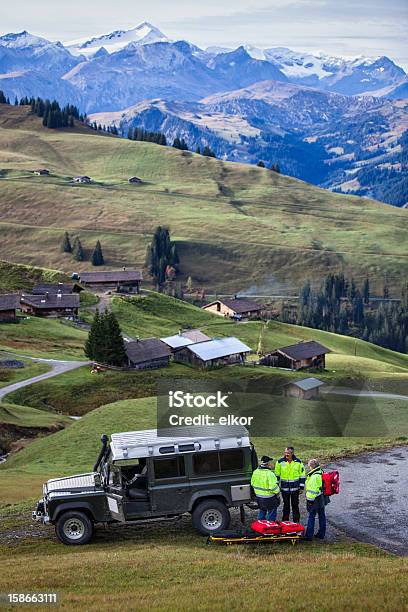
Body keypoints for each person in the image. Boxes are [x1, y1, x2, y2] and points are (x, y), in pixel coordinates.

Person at [275, 446, 305, 523]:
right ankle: (285, 522)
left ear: (292, 453)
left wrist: (301, 487)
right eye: (285, 452)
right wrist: (276, 488)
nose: (286, 454)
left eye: (288, 453)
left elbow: (302, 475)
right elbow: (277, 476)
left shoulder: (298, 462)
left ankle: (296, 523)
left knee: (295, 506)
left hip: (295, 489)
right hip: (284, 490)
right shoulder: (280, 462)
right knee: (286, 506)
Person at [251, 455, 280, 521]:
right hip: (269, 498)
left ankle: (261, 527)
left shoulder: (255, 472)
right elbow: (273, 487)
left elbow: (252, 483)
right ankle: (270, 528)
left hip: (259, 497)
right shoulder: (270, 474)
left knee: (262, 511)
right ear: (268, 464)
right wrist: (278, 493)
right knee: (271, 513)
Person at [305, 458, 327, 540]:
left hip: (315, 499)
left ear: (312, 466)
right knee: (322, 516)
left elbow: (312, 491)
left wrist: (309, 501)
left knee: (311, 516)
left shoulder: (314, 476)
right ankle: (321, 534)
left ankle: (309, 536)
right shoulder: (321, 472)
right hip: (321, 498)